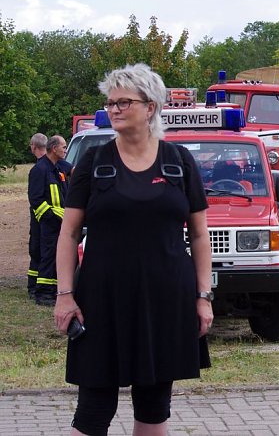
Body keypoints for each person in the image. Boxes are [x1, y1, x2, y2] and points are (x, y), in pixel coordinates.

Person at [53, 63, 213, 436]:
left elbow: (201, 236)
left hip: (165, 300)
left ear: (150, 107)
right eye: (110, 102)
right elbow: (68, 233)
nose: (114, 109)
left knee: (155, 410)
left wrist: (203, 296)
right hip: (102, 300)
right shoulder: (94, 162)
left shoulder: (179, 162)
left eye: (124, 101)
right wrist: (64, 295)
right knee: (93, 411)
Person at [28, 135, 70, 306]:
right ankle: (43, 294)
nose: (66, 150)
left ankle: (51, 292)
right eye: (64, 147)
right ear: (54, 148)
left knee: (54, 256)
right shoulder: (40, 170)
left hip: (59, 221)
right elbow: (36, 199)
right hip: (49, 223)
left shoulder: (57, 168)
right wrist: (50, 217)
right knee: (47, 256)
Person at [26, 133, 48, 299]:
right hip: (51, 217)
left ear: (33, 147)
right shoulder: (53, 166)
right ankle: (35, 285)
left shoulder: (38, 169)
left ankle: (34, 287)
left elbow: (34, 199)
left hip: (42, 218)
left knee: (37, 251)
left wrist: (46, 215)